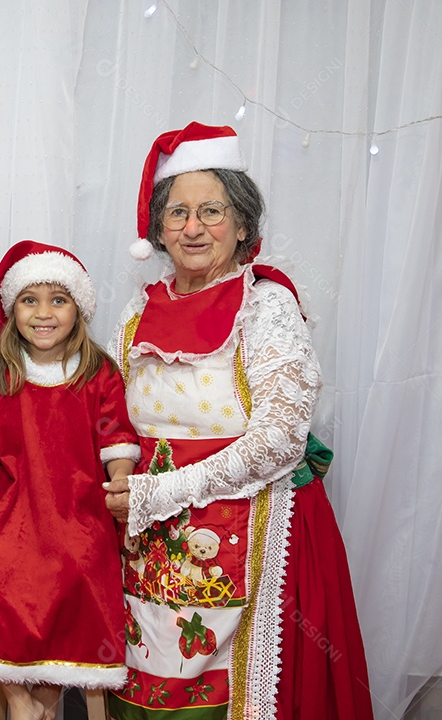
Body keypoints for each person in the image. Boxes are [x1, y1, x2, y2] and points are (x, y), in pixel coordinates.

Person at [103, 123, 374, 719]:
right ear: (158, 228)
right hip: (151, 547)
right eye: (177, 213)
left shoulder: (267, 304)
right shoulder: (137, 308)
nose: (192, 228)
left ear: (244, 224)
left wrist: (166, 490)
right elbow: (111, 414)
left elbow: (281, 438)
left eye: (211, 211)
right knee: (151, 689)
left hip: (252, 529)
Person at [0, 241, 140, 720]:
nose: (44, 313)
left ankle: (41, 704)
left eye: (58, 299)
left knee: (76, 578)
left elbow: (118, 442)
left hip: (79, 516)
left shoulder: (98, 373)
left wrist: (122, 480)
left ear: (78, 308)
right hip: (10, 515)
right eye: (30, 300)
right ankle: (20, 700)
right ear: (12, 309)